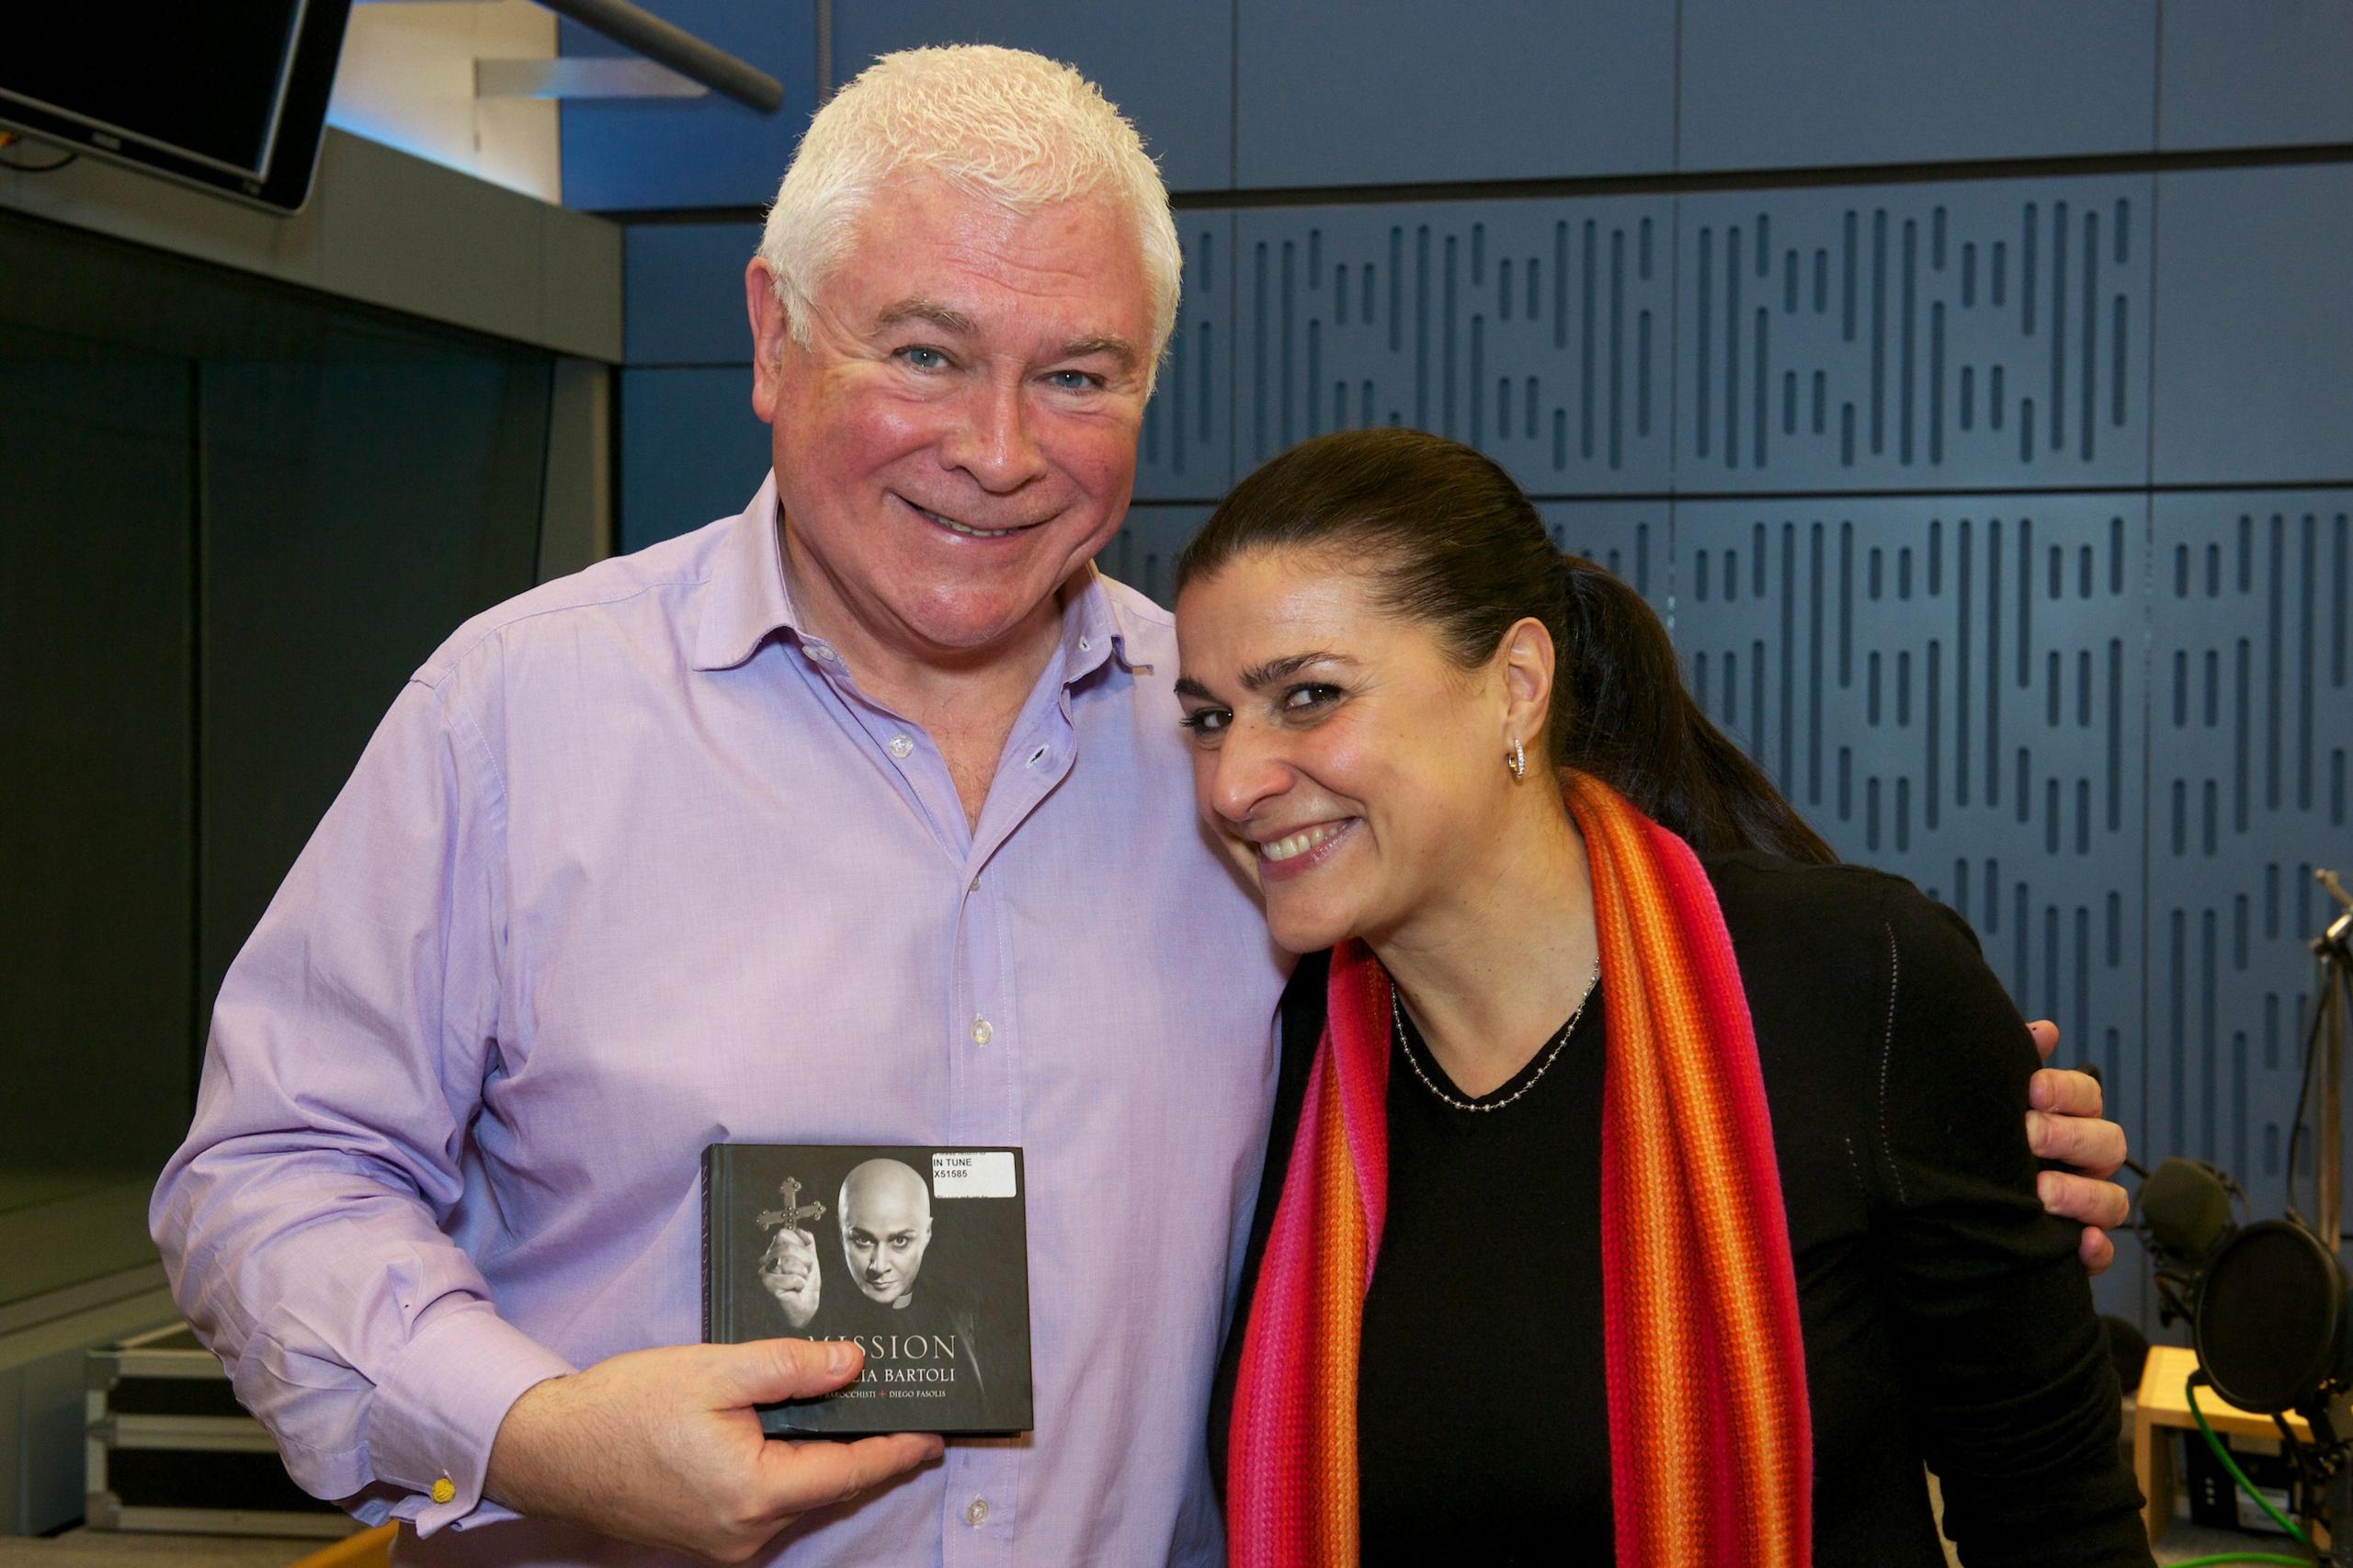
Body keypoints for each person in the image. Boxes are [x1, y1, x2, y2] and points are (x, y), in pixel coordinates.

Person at [150, 44, 2130, 1568]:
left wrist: (1927, 1140)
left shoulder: (1246, 780)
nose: (997, 453)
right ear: (770, 334)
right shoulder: (522, 714)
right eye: (924, 352)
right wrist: (531, 1427)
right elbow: (267, 1176)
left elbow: (1560, 1057)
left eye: (1077, 375)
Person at [1181, 428, 2152, 1566]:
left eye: (1307, 694)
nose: (1235, 780)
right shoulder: (1270, 1055)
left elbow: (2054, 1523)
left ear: (1515, 687)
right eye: (1206, 717)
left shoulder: (1854, 982)